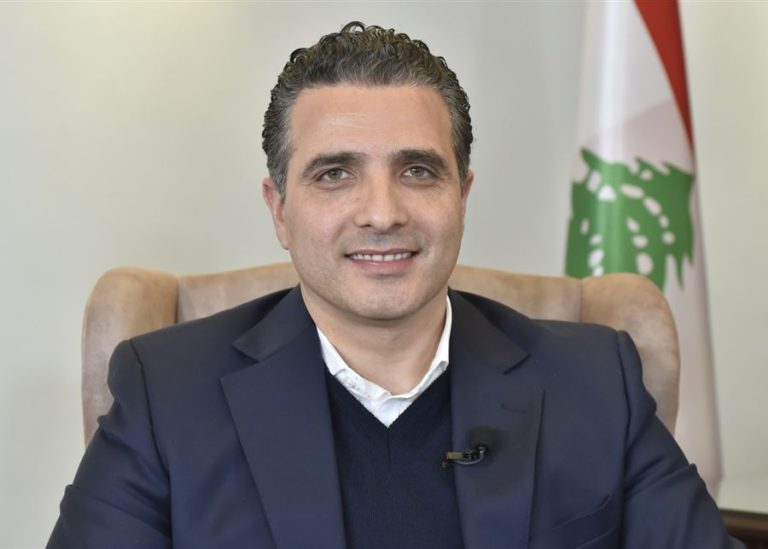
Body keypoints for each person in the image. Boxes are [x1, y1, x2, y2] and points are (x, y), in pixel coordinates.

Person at [48, 22, 741, 549]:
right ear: (279, 210)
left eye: (417, 171)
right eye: (334, 174)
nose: (382, 213)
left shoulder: (594, 380)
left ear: (461, 196)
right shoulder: (166, 392)